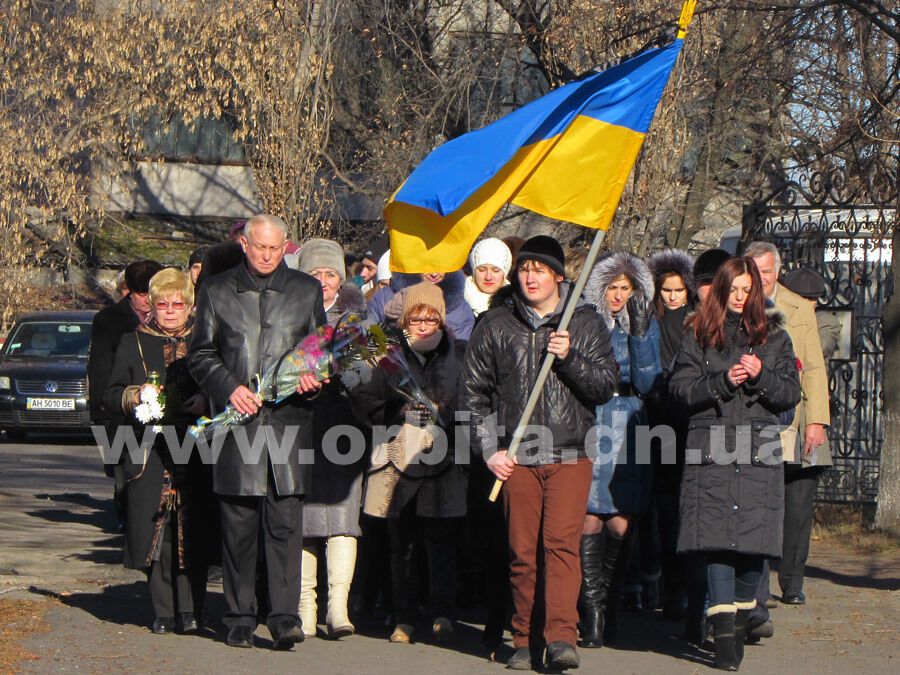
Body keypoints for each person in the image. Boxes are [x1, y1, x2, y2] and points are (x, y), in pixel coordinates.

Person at [461, 235, 618, 671]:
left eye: (540, 270)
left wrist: (569, 358)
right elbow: (471, 396)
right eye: (525, 269)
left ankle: (561, 638)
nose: (530, 277)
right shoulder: (495, 324)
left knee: (561, 546)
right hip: (517, 457)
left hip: (570, 452)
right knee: (523, 551)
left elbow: (605, 385)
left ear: (558, 277)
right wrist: (489, 450)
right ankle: (524, 637)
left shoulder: (583, 323)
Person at [188, 214, 326, 650]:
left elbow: (319, 351)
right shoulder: (215, 289)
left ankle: (284, 617)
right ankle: (240, 617)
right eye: (258, 246)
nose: (266, 255)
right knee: (239, 528)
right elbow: (201, 354)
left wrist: (314, 376)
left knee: (286, 527)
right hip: (238, 428)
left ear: (286, 247)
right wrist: (229, 389)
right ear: (244, 244)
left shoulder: (306, 291)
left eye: (274, 248)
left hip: (289, 426)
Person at [669, 256, 800, 670]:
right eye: (734, 290)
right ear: (721, 292)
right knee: (716, 546)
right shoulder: (698, 335)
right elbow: (680, 390)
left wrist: (761, 376)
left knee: (751, 550)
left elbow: (790, 395)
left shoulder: (776, 338)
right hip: (711, 451)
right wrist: (722, 382)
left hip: (758, 453)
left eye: (748, 291)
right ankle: (724, 641)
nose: (740, 298)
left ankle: (740, 621)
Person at [354, 283, 468, 644]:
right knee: (400, 541)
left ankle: (442, 612)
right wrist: (396, 409)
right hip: (400, 456)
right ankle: (402, 616)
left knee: (441, 542)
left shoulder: (460, 354)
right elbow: (362, 400)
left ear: (442, 320)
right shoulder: (388, 357)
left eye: (430, 318)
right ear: (404, 320)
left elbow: (473, 400)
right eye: (415, 318)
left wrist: (443, 413)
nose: (422, 325)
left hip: (445, 457)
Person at [104, 269, 212, 634]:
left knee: (195, 529)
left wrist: (207, 400)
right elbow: (110, 393)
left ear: (189, 305)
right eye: (162, 304)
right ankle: (164, 610)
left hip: (197, 446)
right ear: (151, 305)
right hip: (148, 448)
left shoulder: (205, 339)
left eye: (177, 304)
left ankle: (192, 608)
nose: (169, 310)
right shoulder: (133, 341)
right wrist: (135, 395)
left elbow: (226, 386)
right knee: (159, 532)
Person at [745, 242, 830, 637]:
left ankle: (791, 582)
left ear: (777, 271)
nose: (761, 278)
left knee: (795, 501)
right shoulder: (738, 300)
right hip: (750, 418)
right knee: (761, 502)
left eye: (766, 271)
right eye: (754, 270)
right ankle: (755, 583)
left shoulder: (799, 308)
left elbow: (813, 367)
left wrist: (817, 423)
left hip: (792, 417)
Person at [579, 251, 661, 647]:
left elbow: (649, 381)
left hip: (630, 423)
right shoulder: (586, 322)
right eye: (612, 288)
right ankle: (591, 609)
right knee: (588, 517)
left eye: (625, 289)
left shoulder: (645, 326)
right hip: (592, 418)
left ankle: (611, 603)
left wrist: (641, 334)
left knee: (621, 520)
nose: (618, 296)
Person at [295, 239, 367, 639]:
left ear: (341, 278)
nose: (322, 281)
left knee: (342, 519)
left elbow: (374, 369)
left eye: (330, 273)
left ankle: (338, 607)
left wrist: (345, 374)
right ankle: (305, 606)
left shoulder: (360, 318)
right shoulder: (289, 313)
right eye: (314, 274)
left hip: (345, 427)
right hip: (299, 425)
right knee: (302, 520)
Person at [776, 266, 837, 606]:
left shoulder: (822, 322)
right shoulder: (768, 314)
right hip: (776, 423)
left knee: (799, 507)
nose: (808, 305)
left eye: (812, 301)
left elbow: (818, 356)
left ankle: (793, 581)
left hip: (808, 425)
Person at [89, 260, 164, 524]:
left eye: (151, 293)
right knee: (123, 469)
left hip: (159, 408)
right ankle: (127, 517)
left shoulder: (168, 318)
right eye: (141, 294)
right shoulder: (109, 320)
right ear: (128, 291)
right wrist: (99, 407)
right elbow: (100, 366)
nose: (147, 301)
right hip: (120, 407)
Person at [646, 248, 696, 620]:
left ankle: (680, 587)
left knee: (681, 507)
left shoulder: (696, 323)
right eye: (667, 290)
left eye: (679, 290)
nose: (674, 296)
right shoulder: (650, 320)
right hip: (652, 421)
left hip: (687, 421)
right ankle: (657, 582)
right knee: (658, 508)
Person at [375, 270, 476, 340]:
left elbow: (458, 356)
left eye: (441, 266)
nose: (434, 273)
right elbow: (365, 341)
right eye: (426, 266)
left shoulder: (460, 309)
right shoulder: (385, 298)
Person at [463, 237, 512, 316]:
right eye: (482, 270)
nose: (488, 277)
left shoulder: (516, 308)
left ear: (505, 273)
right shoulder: (455, 304)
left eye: (496, 270)